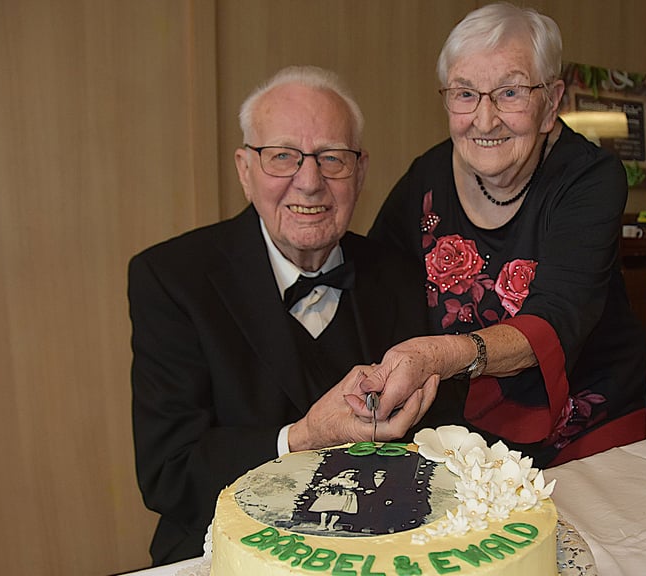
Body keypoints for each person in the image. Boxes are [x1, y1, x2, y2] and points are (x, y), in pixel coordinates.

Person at [128, 65, 441, 565]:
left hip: (379, 549)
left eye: (332, 158)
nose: (310, 182)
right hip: (228, 552)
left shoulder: (400, 273)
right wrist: (301, 439)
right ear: (244, 170)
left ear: (360, 172)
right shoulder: (171, 278)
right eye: (282, 157)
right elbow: (170, 472)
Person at [365, 2, 646, 468]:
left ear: (551, 103)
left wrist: (443, 354)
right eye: (465, 93)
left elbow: (557, 315)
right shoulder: (426, 178)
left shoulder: (589, 178)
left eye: (510, 92)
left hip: (590, 429)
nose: (484, 119)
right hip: (470, 438)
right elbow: (373, 278)